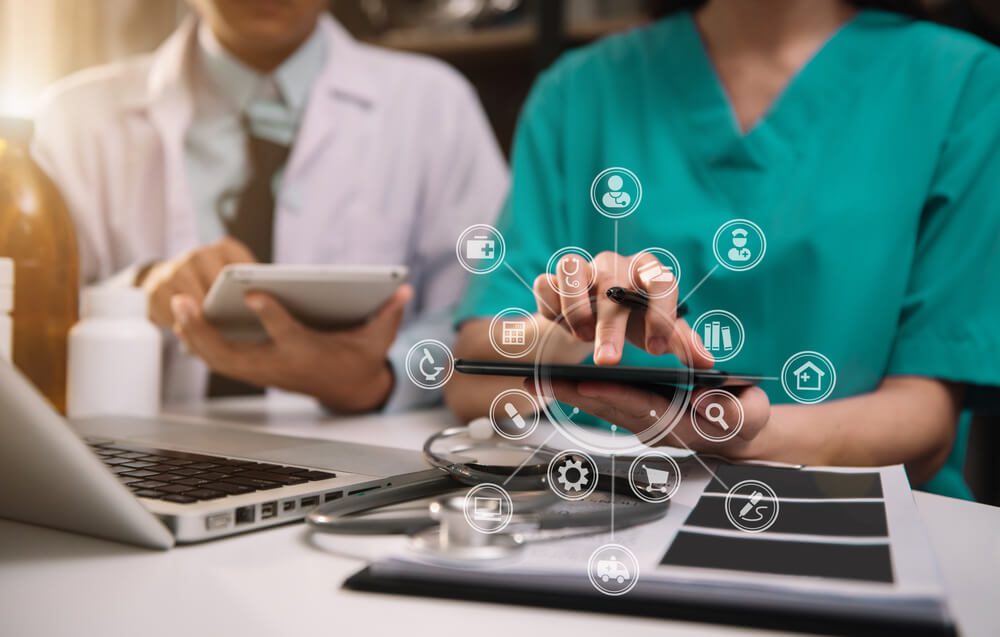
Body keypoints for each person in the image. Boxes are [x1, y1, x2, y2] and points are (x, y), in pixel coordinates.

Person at [445, 0, 1000, 498]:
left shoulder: (964, 86)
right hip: (595, 506)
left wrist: (739, 433)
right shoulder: (575, 91)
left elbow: (926, 424)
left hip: (845, 512)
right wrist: (567, 330)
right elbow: (472, 385)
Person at [32, 0, 508, 412]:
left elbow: (487, 315)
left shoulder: (435, 106)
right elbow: (25, 320)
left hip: (361, 452)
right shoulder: (74, 122)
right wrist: (136, 293)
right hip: (137, 458)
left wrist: (383, 376)